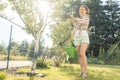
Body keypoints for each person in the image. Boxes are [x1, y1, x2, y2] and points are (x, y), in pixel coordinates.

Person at [71, 5, 90, 77]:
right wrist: (73, 35)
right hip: (77, 36)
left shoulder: (86, 18)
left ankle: (85, 72)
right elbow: (75, 28)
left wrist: (75, 19)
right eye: (80, 10)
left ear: (86, 11)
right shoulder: (78, 19)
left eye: (82, 10)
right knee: (79, 55)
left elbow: (81, 21)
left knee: (82, 53)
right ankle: (82, 71)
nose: (81, 11)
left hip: (84, 35)